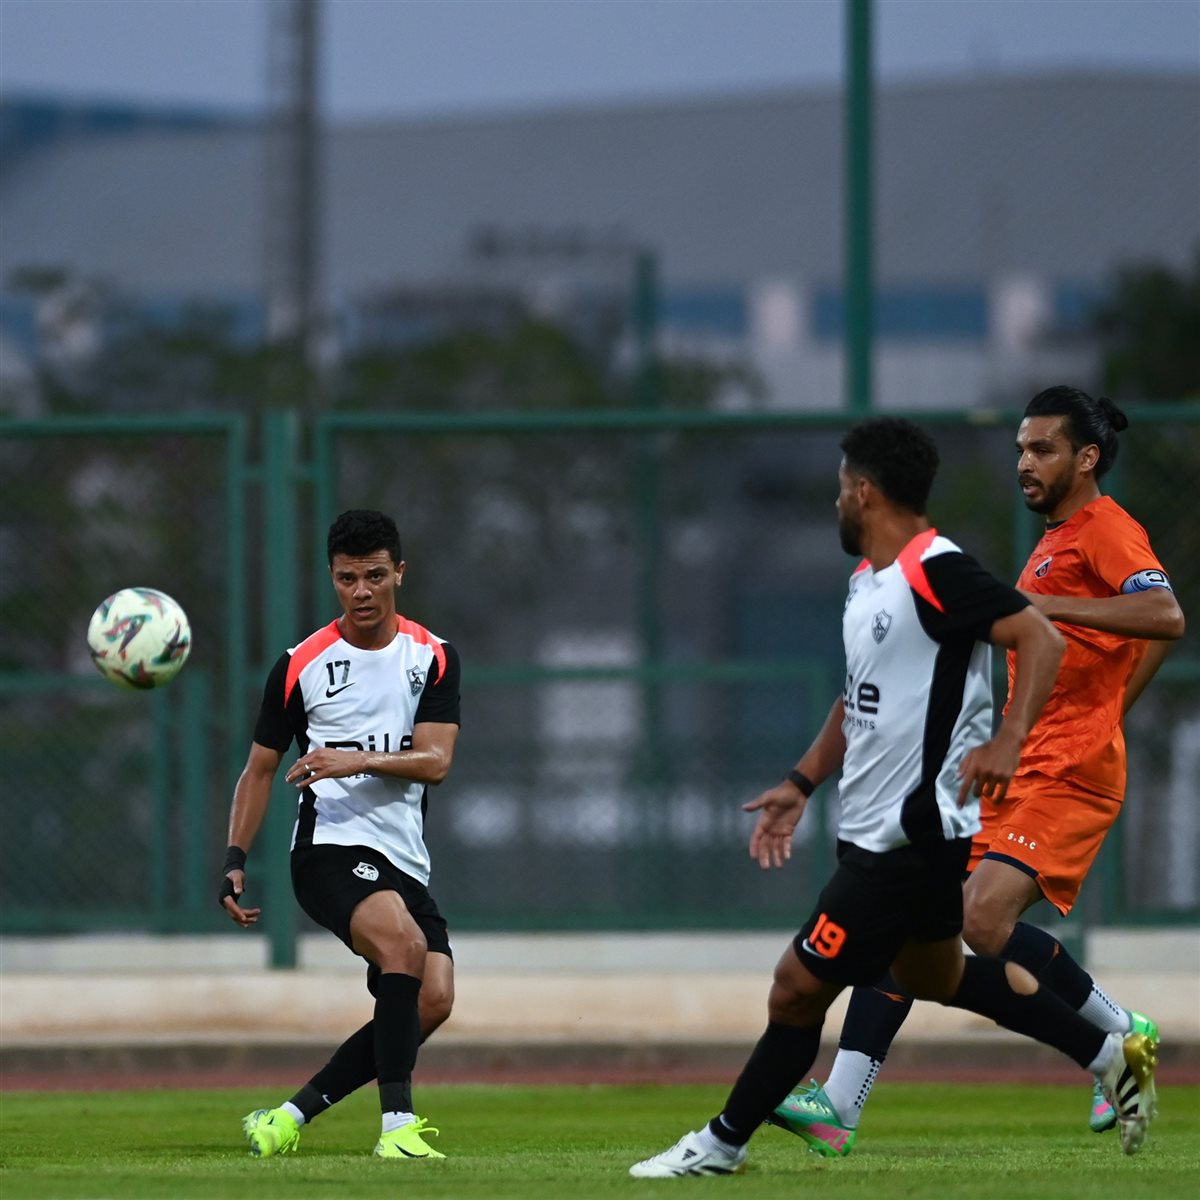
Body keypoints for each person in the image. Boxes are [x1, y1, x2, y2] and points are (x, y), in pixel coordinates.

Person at [629, 416, 1159, 1180]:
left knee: (795, 989)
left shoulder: (936, 570)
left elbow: (1039, 637)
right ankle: (1109, 1056)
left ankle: (720, 1144)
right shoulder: (867, 583)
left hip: (905, 840)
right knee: (939, 977)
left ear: (865, 492)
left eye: (841, 488)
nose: (837, 503)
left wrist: (1010, 739)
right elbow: (857, 701)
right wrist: (800, 783)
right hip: (884, 831)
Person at [770, 388, 1185, 1157]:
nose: (1025, 462)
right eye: (1021, 448)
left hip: (1069, 773)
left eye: (1043, 449)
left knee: (978, 922)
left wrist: (1061, 632)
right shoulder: (1055, 540)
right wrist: (1108, 696)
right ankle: (840, 1103)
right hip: (1019, 765)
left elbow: (1165, 616)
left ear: (1087, 459)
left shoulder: (1106, 529)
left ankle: (1119, 1038)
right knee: (913, 914)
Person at [219, 508, 462, 1161]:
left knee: (433, 1000)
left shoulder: (433, 657)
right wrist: (235, 857)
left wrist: (354, 759)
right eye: (347, 578)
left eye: (374, 576)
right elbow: (259, 770)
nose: (361, 591)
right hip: (327, 848)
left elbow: (436, 762)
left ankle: (285, 1118)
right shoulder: (299, 665)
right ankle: (397, 1130)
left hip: (403, 858)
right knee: (404, 947)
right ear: (332, 577)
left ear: (399, 573)